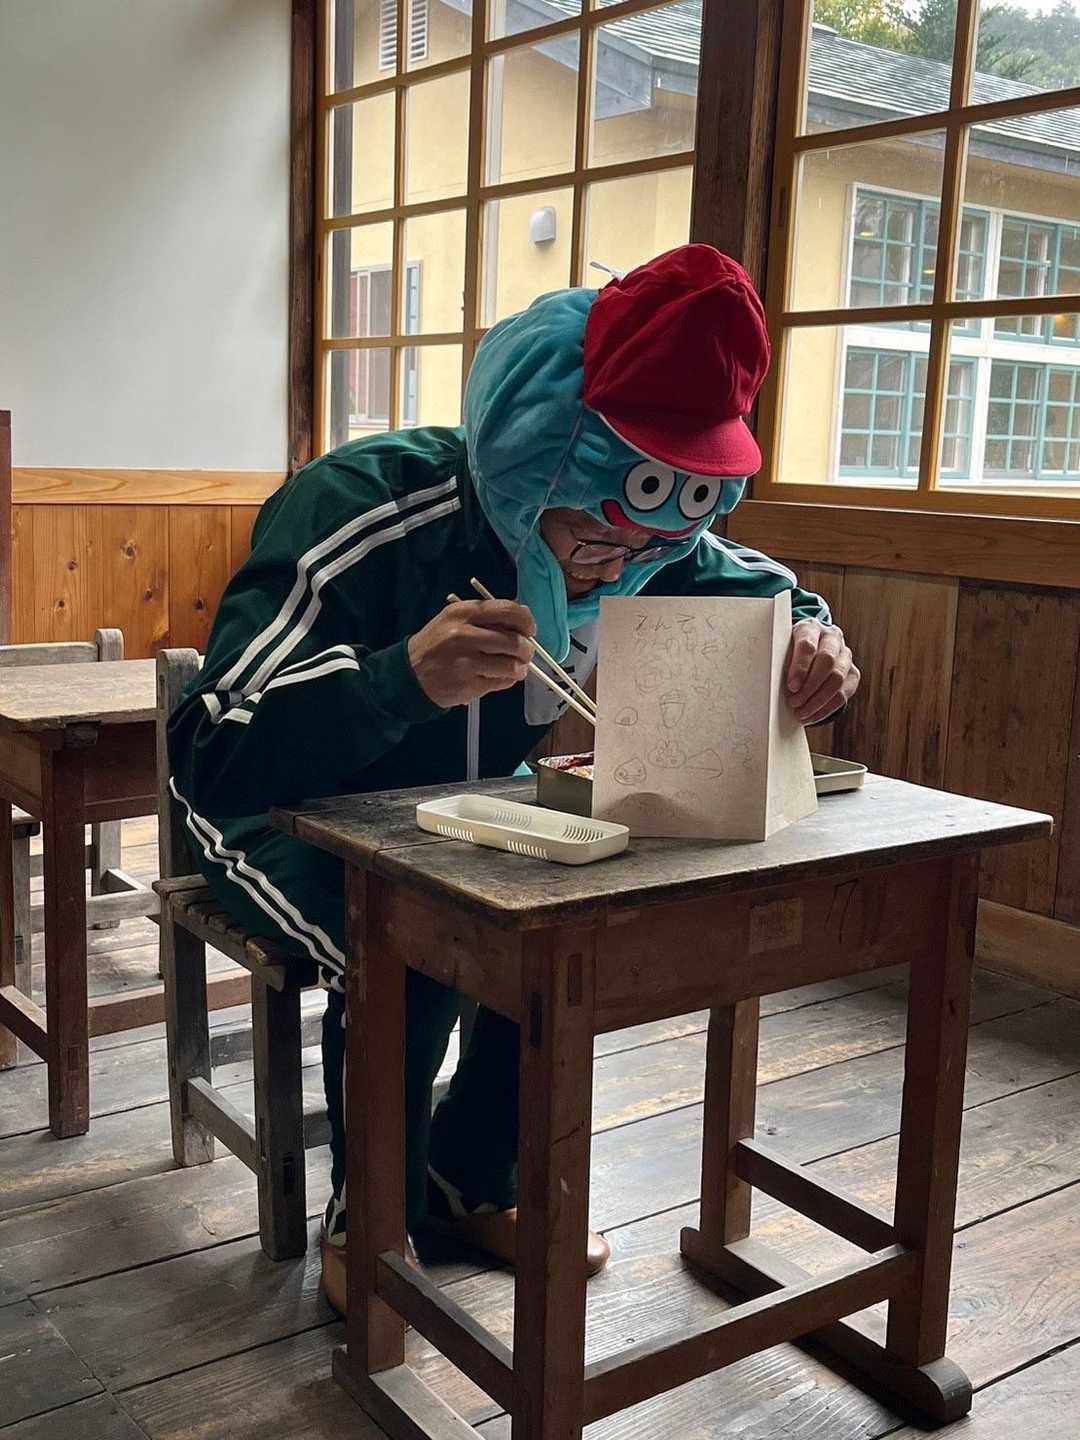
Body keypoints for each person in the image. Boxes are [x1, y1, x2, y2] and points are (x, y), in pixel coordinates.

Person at [167, 244, 860, 1315]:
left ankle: (469, 1176)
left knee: (551, 921)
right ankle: (375, 1215)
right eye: (593, 534)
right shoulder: (363, 502)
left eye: (653, 538)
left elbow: (769, 589)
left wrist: (817, 642)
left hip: (455, 820)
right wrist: (400, 680)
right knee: (417, 939)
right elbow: (211, 748)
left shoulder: (649, 537)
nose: (618, 564)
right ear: (539, 458)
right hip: (273, 811)